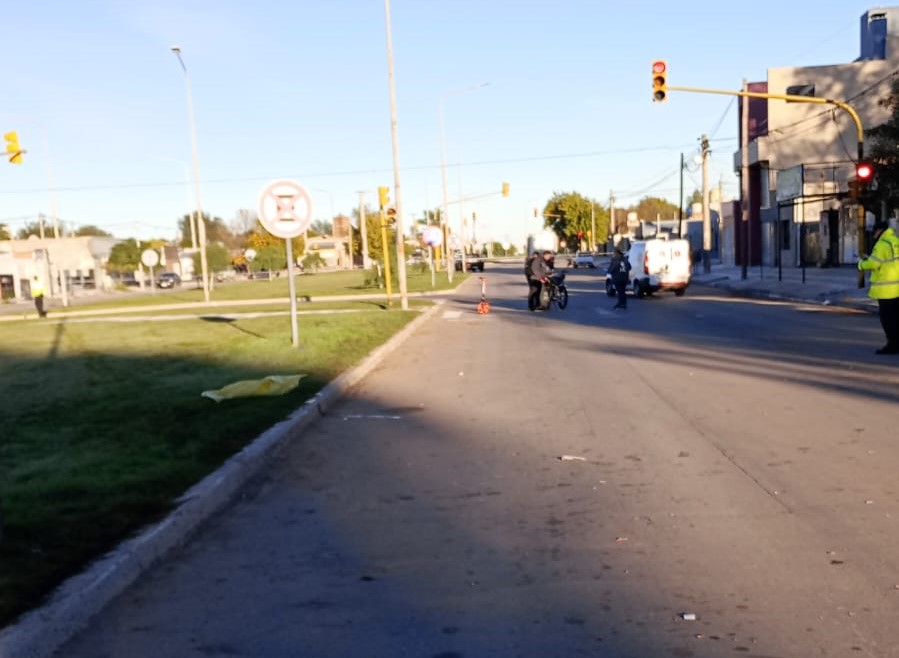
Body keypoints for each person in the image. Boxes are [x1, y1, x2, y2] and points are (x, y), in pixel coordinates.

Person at [858, 220, 899, 354]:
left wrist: (861, 264)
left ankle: (892, 345)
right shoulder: (896, 241)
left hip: (887, 289)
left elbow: (873, 264)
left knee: (887, 319)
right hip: (897, 287)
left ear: (879, 231)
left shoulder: (882, 245)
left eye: (874, 233)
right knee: (896, 317)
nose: (874, 236)